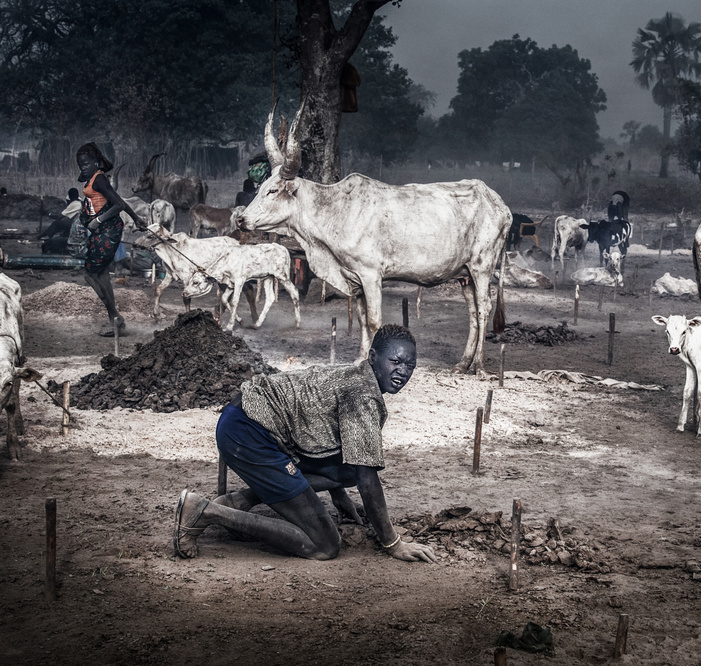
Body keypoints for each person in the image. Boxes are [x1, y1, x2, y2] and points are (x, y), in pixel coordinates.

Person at [173, 324, 436, 564]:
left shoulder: (357, 375)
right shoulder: (363, 396)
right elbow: (368, 479)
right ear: (373, 357)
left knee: (348, 470)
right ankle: (205, 511)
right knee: (324, 544)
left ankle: (240, 500)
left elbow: (347, 456)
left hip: (245, 419)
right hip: (248, 432)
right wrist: (393, 543)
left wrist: (339, 496)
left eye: (410, 366)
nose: (402, 371)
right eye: (395, 361)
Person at [75, 142, 145, 336]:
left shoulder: (99, 180)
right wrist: (136, 218)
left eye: (87, 164)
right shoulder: (95, 179)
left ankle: (115, 317)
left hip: (107, 229)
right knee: (102, 273)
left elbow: (118, 205)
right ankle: (114, 319)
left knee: (90, 274)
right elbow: (118, 199)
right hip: (104, 230)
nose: (83, 168)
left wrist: (98, 220)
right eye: (81, 165)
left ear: (96, 162)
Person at [39, 188, 83, 254]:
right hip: (79, 224)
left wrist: (47, 213)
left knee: (57, 223)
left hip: (75, 224)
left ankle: (44, 235)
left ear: (70, 196)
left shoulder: (74, 204)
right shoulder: (80, 202)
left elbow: (59, 217)